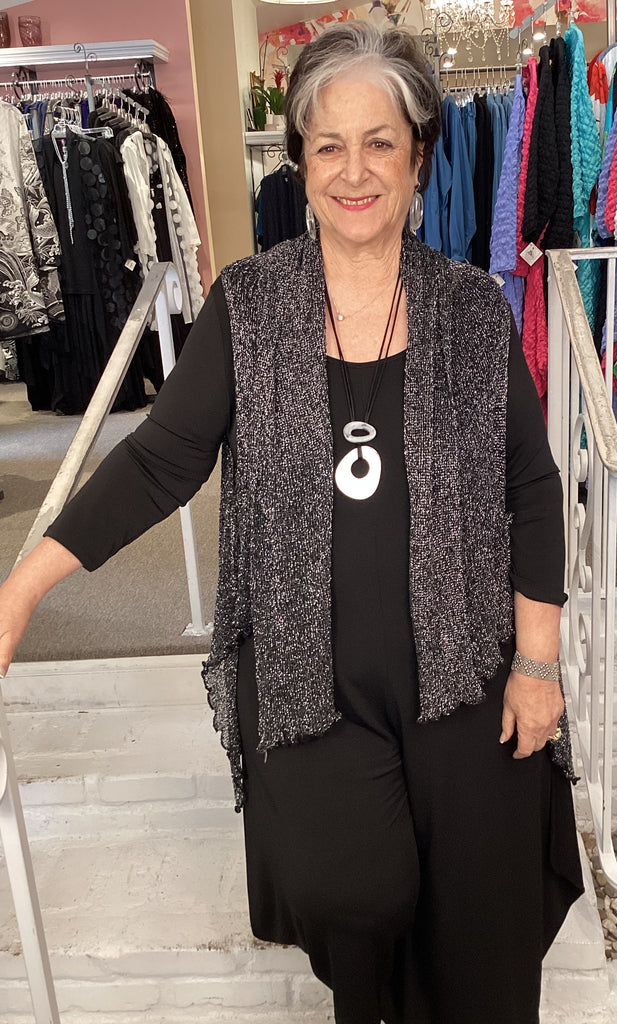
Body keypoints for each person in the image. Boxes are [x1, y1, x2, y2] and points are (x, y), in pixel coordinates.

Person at [0, 22, 583, 1024]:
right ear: (300, 163)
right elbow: (158, 461)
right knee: (355, 899)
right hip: (311, 683)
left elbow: (531, 487)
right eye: (328, 146)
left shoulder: (470, 311)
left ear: (418, 157)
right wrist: (22, 588)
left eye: (380, 143)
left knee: (481, 933)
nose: (355, 171)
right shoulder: (250, 306)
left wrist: (538, 664)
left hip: (467, 675)